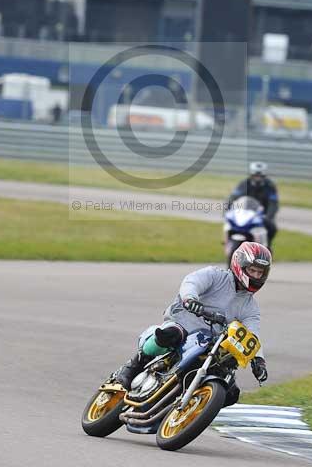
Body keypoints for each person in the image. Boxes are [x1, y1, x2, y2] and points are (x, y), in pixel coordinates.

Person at [114, 241, 271, 405]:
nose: (255, 275)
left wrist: (258, 361)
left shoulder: (250, 307)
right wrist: (190, 299)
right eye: (252, 270)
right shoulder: (215, 275)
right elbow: (192, 282)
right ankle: (135, 364)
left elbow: (252, 334)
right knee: (169, 335)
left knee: (231, 392)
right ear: (240, 265)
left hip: (210, 343)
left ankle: (192, 405)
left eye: (259, 272)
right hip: (183, 324)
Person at [229, 162, 279, 250]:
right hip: (245, 213)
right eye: (255, 175)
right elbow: (233, 197)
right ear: (251, 174)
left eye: (260, 176)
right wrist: (228, 209)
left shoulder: (270, 186)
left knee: (272, 228)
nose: (257, 178)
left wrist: (268, 217)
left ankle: (266, 248)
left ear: (264, 176)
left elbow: (273, 204)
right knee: (231, 225)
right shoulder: (244, 184)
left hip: (262, 215)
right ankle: (229, 243)